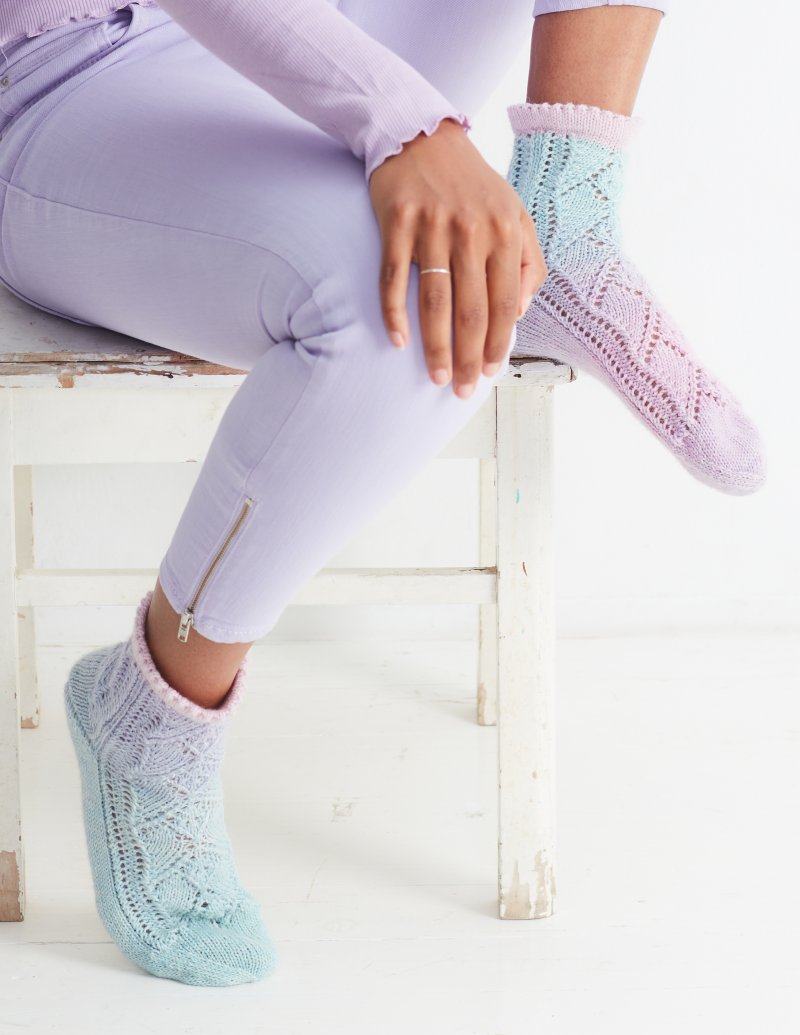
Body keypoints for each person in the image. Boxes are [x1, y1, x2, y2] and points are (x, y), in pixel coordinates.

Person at [0, 0, 763, 986]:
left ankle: (568, 211)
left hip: (314, 28)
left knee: (451, 279)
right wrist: (408, 125)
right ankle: (154, 707)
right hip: (65, 76)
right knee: (417, 297)